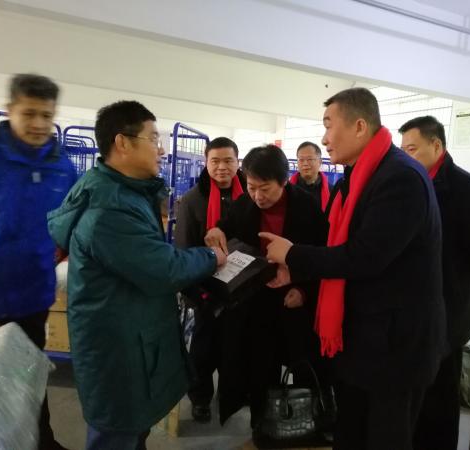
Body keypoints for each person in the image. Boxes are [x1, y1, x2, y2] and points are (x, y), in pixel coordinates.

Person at [260, 87, 447, 450]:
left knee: (384, 438)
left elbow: (364, 256)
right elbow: (341, 250)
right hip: (366, 340)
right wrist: (299, 273)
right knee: (352, 432)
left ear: (359, 126)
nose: (324, 139)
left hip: (395, 348)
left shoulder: (400, 178)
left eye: (329, 126)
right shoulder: (361, 175)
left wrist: (293, 254)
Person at [47, 100, 226, 450]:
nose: (161, 149)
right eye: (153, 138)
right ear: (123, 143)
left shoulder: (125, 193)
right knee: (116, 432)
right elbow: (162, 268)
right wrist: (211, 257)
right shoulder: (110, 207)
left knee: (129, 429)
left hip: (130, 336)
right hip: (118, 349)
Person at [399, 115, 470, 450]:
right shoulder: (409, 186)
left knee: (440, 395)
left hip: (447, 313)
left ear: (436, 145)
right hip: (411, 308)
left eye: (412, 149)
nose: (405, 157)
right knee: (412, 392)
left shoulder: (469, 191)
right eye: (402, 150)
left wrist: (459, 292)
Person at [204, 144, 327, 433]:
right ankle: (262, 425)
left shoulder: (307, 207)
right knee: (259, 364)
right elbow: (224, 227)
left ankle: (305, 423)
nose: (258, 196)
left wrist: (304, 290)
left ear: (284, 182)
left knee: (302, 365)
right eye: (251, 187)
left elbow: (323, 257)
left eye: (265, 189)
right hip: (255, 301)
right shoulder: (243, 204)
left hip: (292, 301)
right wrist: (216, 230)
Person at [0, 73, 77, 450]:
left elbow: (71, 224)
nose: (39, 123)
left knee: (30, 374)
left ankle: (41, 442)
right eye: (29, 113)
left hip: (32, 295)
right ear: (10, 110)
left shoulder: (63, 167)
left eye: (47, 115)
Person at [174, 136, 246, 423]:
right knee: (203, 349)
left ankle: (232, 395)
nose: (222, 167)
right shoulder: (193, 200)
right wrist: (195, 292)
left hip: (241, 288)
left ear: (238, 162)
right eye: (215, 161)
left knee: (236, 348)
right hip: (206, 290)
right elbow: (184, 247)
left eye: (228, 160)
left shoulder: (249, 195)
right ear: (205, 163)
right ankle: (200, 398)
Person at [289, 141, 331, 210]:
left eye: (310, 159)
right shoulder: (288, 189)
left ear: (320, 162)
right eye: (301, 160)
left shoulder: (331, 191)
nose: (305, 163)